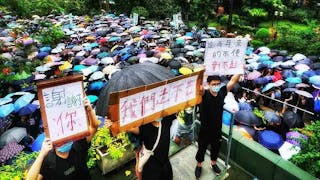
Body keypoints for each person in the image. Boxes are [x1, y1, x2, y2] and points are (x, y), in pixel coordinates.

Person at [26, 97, 99, 180]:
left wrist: (89, 109)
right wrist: (41, 154)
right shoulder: (49, 161)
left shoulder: (78, 145)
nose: (63, 138)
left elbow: (94, 127)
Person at [195, 74, 241, 178]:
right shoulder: (204, 94)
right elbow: (199, 87)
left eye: (218, 84)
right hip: (205, 130)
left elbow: (233, 81)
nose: (216, 86)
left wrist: (240, 70)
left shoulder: (222, 92)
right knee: (201, 149)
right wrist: (202, 72)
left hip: (217, 130)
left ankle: (213, 164)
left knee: (216, 149)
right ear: (209, 85)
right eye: (213, 84)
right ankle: (199, 165)